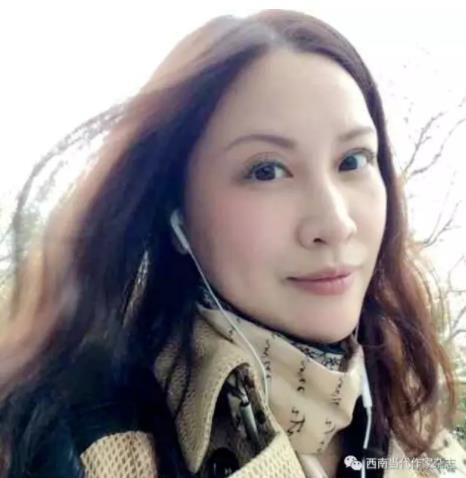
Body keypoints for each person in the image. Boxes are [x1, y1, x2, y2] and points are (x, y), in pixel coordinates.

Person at [0, 9, 464, 478]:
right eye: (267, 170)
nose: (335, 223)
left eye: (353, 160)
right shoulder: (79, 442)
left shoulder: (413, 408)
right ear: (176, 213)